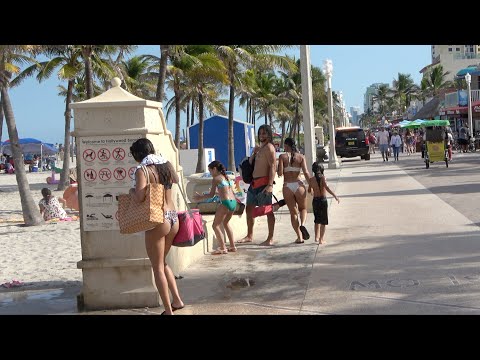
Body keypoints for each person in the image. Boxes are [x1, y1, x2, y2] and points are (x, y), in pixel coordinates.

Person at [129, 138, 184, 315]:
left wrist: (131, 192)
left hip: (158, 219)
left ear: (137, 154)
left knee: (157, 266)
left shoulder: (142, 169)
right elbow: (175, 181)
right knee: (163, 262)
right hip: (173, 217)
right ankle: (177, 300)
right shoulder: (165, 164)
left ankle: (168, 310)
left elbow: (138, 197)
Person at [236, 124, 277, 246]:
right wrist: (254, 153)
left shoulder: (269, 148)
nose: (262, 135)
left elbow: (273, 166)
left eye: (264, 133)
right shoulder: (260, 149)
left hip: (264, 184)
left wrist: (270, 184)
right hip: (254, 184)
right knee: (249, 210)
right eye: (260, 133)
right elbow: (250, 163)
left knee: (268, 211)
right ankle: (249, 235)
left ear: (269, 135)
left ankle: (270, 238)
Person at [193, 160, 237, 255]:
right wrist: (218, 193)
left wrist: (200, 197)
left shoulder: (216, 179)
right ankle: (232, 246)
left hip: (225, 203)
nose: (210, 173)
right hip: (233, 203)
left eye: (210, 171)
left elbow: (211, 195)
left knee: (215, 225)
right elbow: (226, 191)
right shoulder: (227, 177)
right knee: (225, 223)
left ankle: (222, 248)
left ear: (215, 169)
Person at [277, 137, 311, 244]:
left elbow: (280, 173)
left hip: (287, 186)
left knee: (293, 213)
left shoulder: (282, 157)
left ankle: (299, 237)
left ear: (286, 145)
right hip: (299, 185)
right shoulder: (301, 157)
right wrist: (311, 185)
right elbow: (306, 173)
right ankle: (303, 225)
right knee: (303, 209)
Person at [307, 162, 339, 244]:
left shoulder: (311, 180)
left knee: (317, 220)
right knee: (323, 221)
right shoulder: (323, 178)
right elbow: (327, 188)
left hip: (315, 201)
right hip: (323, 200)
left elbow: (309, 190)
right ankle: (321, 239)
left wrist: (313, 191)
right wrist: (335, 195)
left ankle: (316, 237)